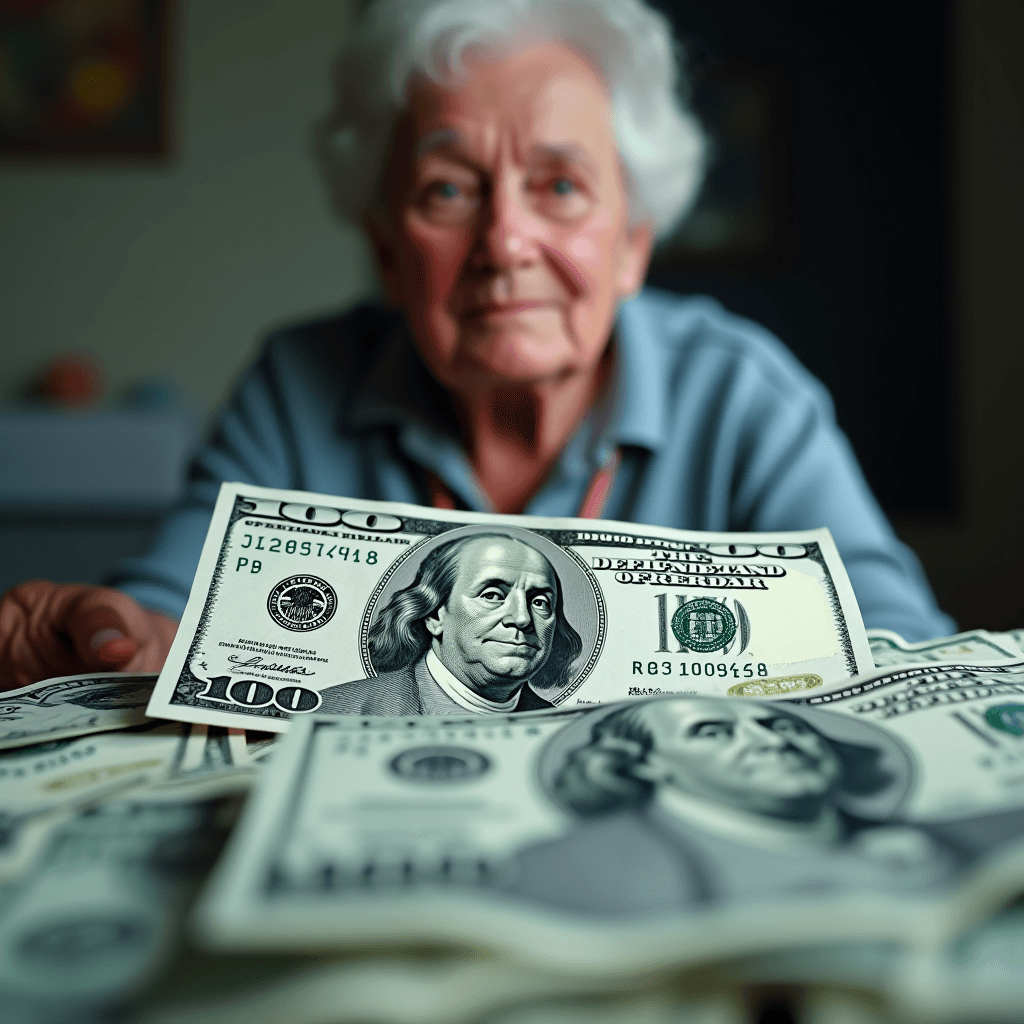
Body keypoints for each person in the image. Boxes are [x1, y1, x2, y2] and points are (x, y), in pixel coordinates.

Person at [0, 0, 955, 693]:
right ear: (384, 245)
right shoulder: (296, 385)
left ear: (632, 245)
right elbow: (170, 614)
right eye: (449, 190)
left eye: (560, 187)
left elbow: (896, 648)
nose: (504, 243)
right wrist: (104, 635)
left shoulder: (745, 393)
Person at [508, 697, 957, 914]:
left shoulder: (961, 837)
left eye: (781, 722)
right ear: (645, 764)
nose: (773, 741)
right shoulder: (556, 872)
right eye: (711, 732)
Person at [318, 532, 583, 714]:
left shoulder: (568, 732)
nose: (522, 618)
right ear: (435, 615)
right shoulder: (336, 709)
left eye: (539, 602)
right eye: (492, 595)